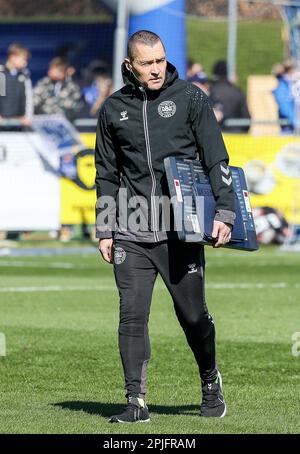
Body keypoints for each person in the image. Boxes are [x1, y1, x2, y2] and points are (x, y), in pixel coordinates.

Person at [95, 30, 235, 423]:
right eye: (146, 63)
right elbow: (106, 174)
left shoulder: (190, 98)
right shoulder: (112, 109)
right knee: (132, 317)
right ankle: (135, 402)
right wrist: (106, 227)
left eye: (160, 61)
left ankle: (210, 381)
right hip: (131, 229)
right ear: (130, 65)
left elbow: (216, 158)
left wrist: (224, 213)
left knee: (193, 316)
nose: (156, 70)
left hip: (182, 229)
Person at [33, 57, 83, 122]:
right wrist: (46, 118)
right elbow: (35, 102)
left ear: (62, 71)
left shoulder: (73, 87)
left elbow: (76, 107)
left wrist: (63, 119)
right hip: (44, 123)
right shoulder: (43, 84)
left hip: (66, 125)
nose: (49, 72)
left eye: (53, 69)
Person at [210, 59, 251, 133]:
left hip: (214, 138)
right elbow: (246, 120)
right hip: (236, 137)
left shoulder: (209, 91)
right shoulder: (237, 93)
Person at [0, 42, 33, 127]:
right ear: (13, 57)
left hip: (19, 125)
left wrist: (27, 118)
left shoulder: (24, 76)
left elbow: (28, 100)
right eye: (23, 59)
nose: (25, 63)